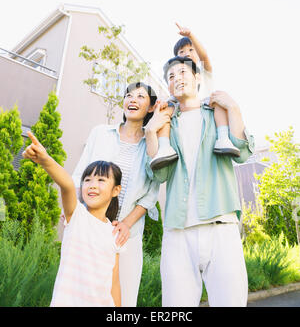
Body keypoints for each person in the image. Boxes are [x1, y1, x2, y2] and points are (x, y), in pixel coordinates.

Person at [145, 56, 255, 307]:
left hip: (221, 225)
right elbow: (158, 174)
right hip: (177, 231)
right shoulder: (165, 123)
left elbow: (243, 153)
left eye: (182, 72)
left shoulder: (218, 114)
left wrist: (234, 108)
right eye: (171, 77)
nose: (176, 79)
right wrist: (151, 131)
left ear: (197, 78)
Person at [71, 82, 161, 307]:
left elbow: (151, 194)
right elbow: (79, 177)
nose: (132, 99)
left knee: (123, 300)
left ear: (151, 107)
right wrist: (73, 212)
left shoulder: (151, 145)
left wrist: (126, 224)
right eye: (129, 95)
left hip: (126, 236)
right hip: (90, 230)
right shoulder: (100, 133)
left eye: (141, 97)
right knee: (82, 296)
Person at [22, 133, 123, 307]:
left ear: (116, 190)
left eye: (101, 180)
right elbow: (67, 184)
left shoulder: (114, 232)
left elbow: (114, 283)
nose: (92, 184)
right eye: (87, 180)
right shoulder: (77, 216)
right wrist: (45, 160)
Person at [150, 23, 240, 171]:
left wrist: (190, 35)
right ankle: (164, 147)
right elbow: (171, 96)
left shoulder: (203, 72)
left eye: (191, 49)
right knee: (166, 110)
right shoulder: (178, 77)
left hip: (208, 107)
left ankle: (223, 138)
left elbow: (204, 56)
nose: (187, 53)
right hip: (184, 110)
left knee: (218, 100)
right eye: (182, 51)